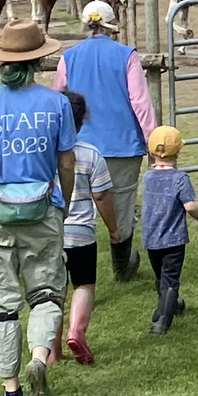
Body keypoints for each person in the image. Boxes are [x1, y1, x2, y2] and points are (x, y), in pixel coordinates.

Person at [0, 20, 77, 396]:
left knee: (2, 300)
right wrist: (66, 201)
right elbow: (67, 160)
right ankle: (39, 358)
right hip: (43, 208)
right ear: (39, 60)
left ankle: (11, 388)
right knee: (46, 292)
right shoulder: (57, 103)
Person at [58, 0, 155, 285]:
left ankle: (67, 262)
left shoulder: (69, 56)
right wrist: (152, 139)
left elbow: (59, 99)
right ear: (112, 25)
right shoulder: (127, 55)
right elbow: (140, 101)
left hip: (78, 146)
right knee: (122, 204)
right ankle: (121, 264)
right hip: (121, 144)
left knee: (73, 204)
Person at [55, 88, 116, 364]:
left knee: (54, 292)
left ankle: (52, 351)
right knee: (84, 285)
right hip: (81, 234)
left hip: (51, 232)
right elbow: (101, 196)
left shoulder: (44, 154)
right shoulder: (91, 155)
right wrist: (114, 229)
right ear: (81, 122)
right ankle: (77, 330)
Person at [141, 124, 198, 334]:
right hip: (173, 240)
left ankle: (172, 305)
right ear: (178, 151)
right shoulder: (180, 178)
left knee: (161, 276)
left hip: (151, 238)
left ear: (151, 152)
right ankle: (161, 321)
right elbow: (190, 206)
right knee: (170, 280)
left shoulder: (147, 178)